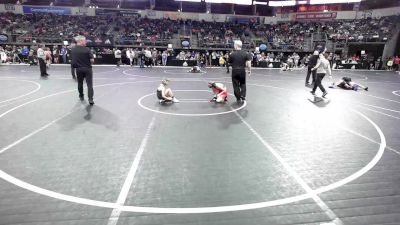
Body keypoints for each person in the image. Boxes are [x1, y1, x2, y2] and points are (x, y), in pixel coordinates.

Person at [71, 35, 95, 105]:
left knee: (80, 83)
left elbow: (72, 61)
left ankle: (81, 95)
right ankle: (90, 99)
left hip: (78, 69)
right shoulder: (87, 49)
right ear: (80, 41)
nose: (86, 42)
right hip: (87, 69)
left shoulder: (73, 49)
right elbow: (92, 60)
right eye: (84, 40)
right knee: (89, 85)